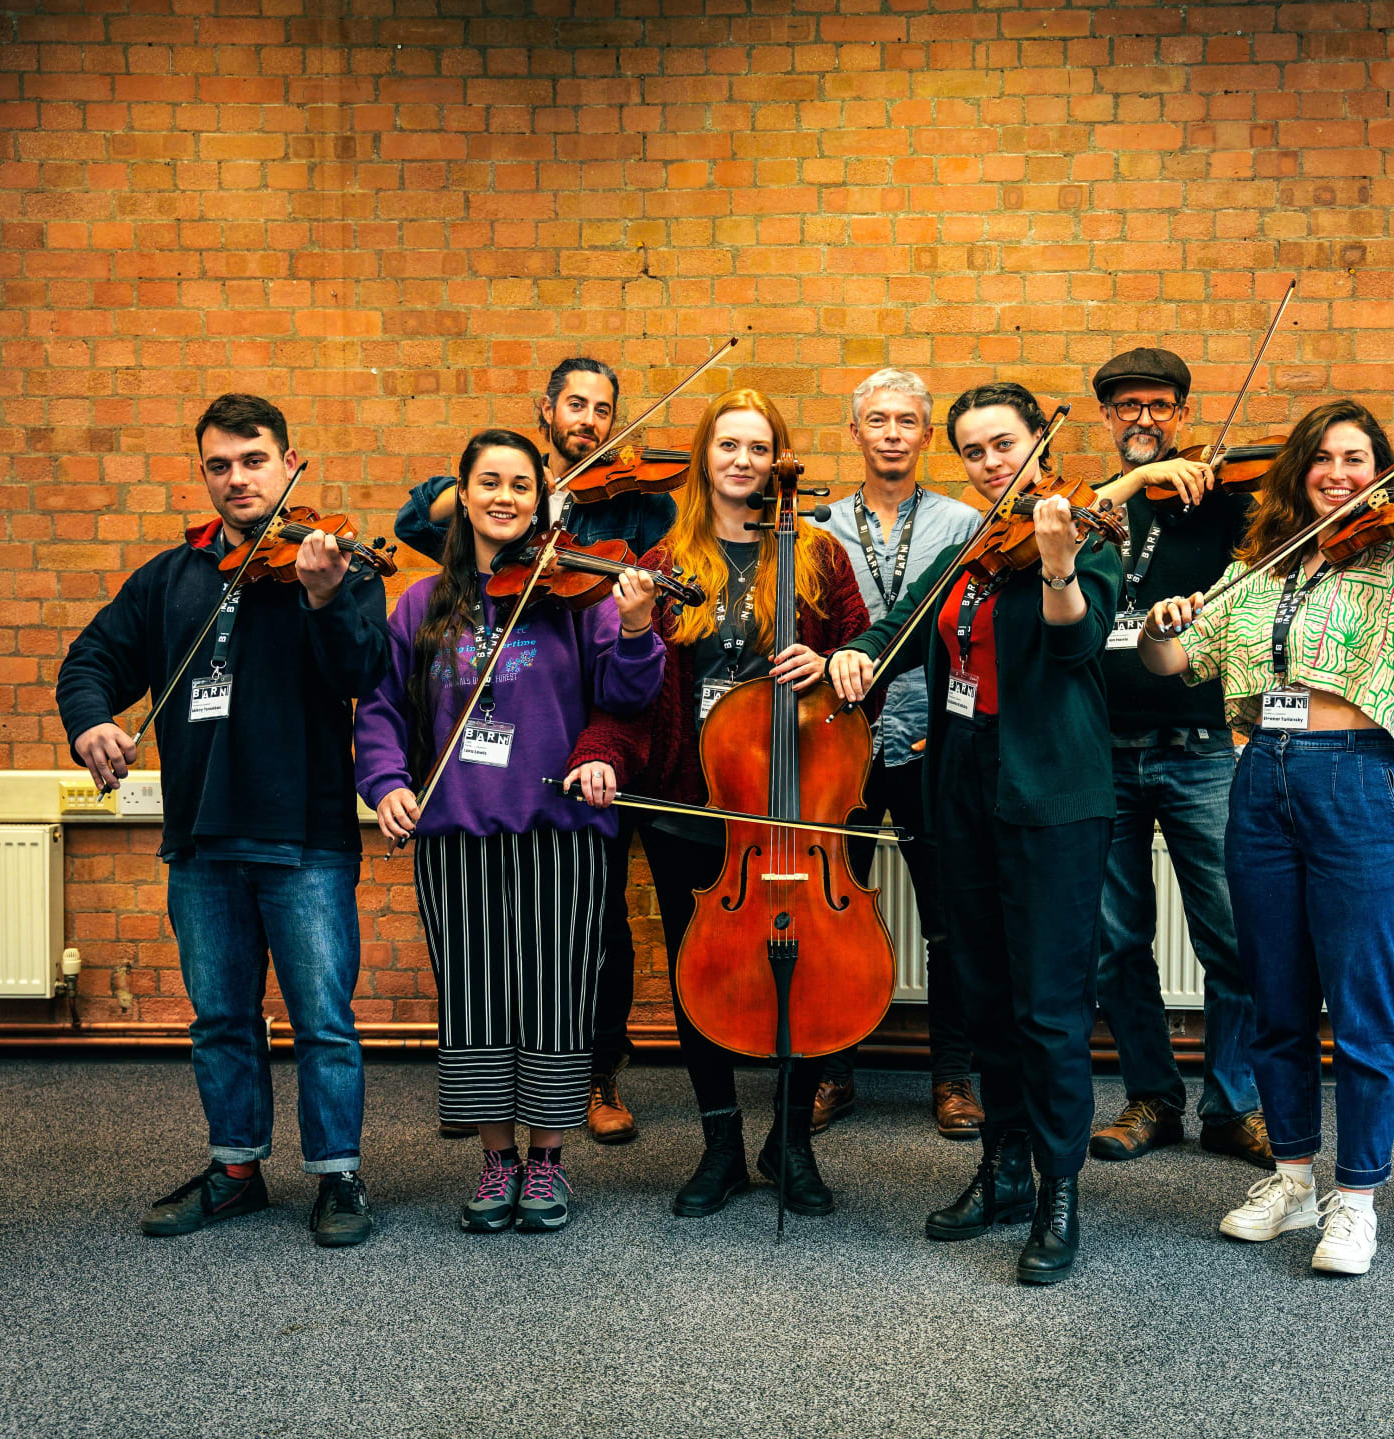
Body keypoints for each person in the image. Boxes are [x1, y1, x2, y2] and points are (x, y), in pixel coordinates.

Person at [1139, 398, 1394, 1276]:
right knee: (1275, 997)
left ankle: (1357, 1199)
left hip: (1359, 778)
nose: (1339, 472)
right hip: (1261, 777)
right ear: (1300, 470)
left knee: (1361, 1006)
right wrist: (1157, 626)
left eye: (1358, 458)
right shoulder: (1258, 565)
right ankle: (1291, 1176)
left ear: (1380, 471)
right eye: (1325, 457)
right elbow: (1177, 664)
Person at [56, 393, 390, 1247]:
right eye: (219, 464)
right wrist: (93, 716)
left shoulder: (339, 567)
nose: (237, 478)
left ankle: (338, 1175)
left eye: (253, 460)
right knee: (220, 1019)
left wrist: (322, 598)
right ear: (203, 471)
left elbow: (362, 673)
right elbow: (92, 656)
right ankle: (236, 1168)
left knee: (323, 1018)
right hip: (201, 839)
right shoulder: (172, 576)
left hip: (307, 836)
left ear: (289, 462)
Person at [829, 381, 1125, 1286]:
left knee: (1047, 1006)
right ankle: (1000, 1167)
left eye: (1005, 444)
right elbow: (902, 616)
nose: (992, 463)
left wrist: (1061, 565)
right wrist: (856, 651)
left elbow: (1078, 645)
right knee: (983, 986)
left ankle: (1058, 1188)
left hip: (1053, 791)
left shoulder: (1087, 532)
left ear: (1040, 440)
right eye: (974, 451)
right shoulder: (969, 545)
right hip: (962, 777)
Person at [566, 388, 874, 1220]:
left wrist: (834, 661)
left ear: (780, 458)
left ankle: (791, 1144)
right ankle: (720, 1145)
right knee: (698, 969)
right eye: (728, 445)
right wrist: (631, 630)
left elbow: (861, 650)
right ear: (705, 457)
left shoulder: (815, 554)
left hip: (793, 794)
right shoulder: (666, 562)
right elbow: (629, 695)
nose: (743, 460)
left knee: (806, 971)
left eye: (759, 446)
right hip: (690, 801)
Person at [355, 428, 665, 1234]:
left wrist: (635, 630)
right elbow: (383, 708)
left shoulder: (579, 595)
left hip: (559, 831)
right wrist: (386, 782)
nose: (505, 497)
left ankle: (548, 1163)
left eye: (521, 484)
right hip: (455, 835)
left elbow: (625, 700)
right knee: (476, 999)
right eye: (489, 481)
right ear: (462, 494)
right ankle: (497, 1160)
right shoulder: (421, 604)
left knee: (558, 998)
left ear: (541, 499)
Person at [1079, 347, 1272, 1169]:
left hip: (1199, 749)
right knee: (1115, 942)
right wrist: (1123, 491)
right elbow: (1060, 526)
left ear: (1185, 414)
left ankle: (1234, 1103)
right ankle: (1151, 1096)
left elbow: (1282, 548)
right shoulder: (1093, 509)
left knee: (1232, 936)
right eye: (1127, 407)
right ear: (1108, 419)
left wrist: (1223, 485)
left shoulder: (1226, 502)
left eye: (1160, 405)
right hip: (1101, 751)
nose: (1144, 419)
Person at [813, 368, 986, 1140]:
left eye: (906, 421)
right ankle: (830, 1068)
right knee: (825, 908)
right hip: (836, 743)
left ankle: (952, 1076)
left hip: (930, 738)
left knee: (949, 914)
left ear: (925, 436)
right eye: (876, 420)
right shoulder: (814, 527)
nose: (891, 433)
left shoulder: (968, 520)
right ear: (855, 432)